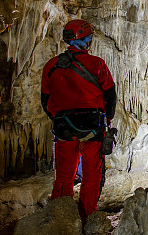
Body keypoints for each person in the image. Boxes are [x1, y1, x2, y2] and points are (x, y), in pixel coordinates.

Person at [41, 19, 117, 223]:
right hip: (92, 127)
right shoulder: (96, 64)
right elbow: (110, 95)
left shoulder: (51, 66)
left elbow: (46, 101)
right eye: (89, 37)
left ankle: (60, 219)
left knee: (64, 176)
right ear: (85, 39)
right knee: (92, 175)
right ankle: (86, 219)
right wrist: (107, 118)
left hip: (63, 128)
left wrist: (60, 119)